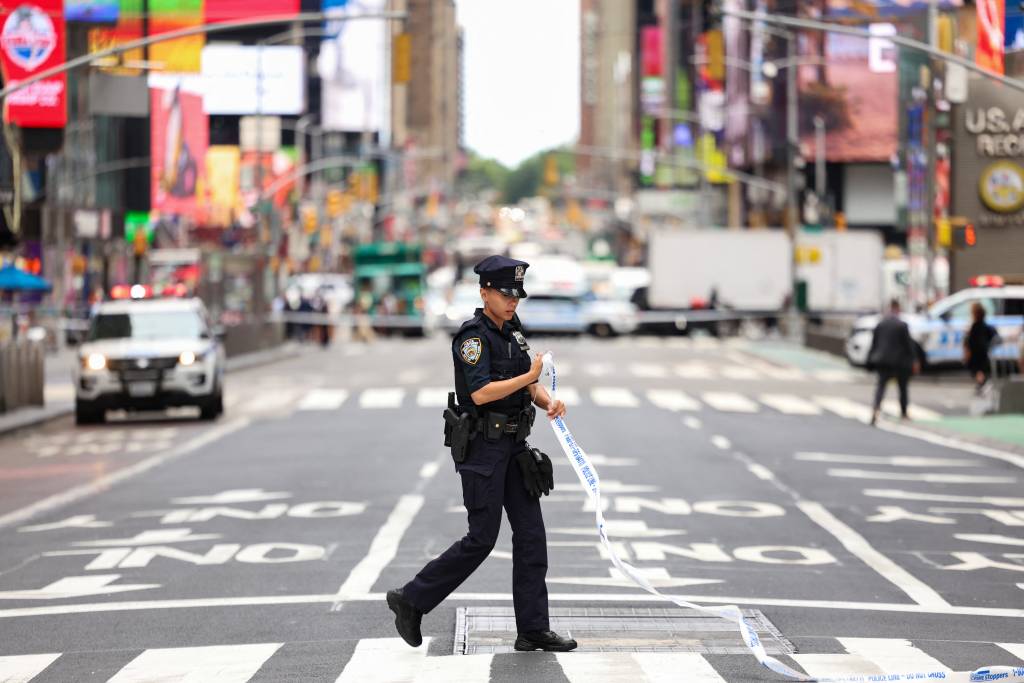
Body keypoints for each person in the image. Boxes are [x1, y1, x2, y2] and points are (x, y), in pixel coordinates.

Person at [386, 255, 577, 653]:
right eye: (505, 294)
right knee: (481, 538)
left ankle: (533, 629)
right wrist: (528, 378)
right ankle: (411, 599)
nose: (512, 302)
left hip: (514, 447)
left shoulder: (514, 332)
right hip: (483, 450)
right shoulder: (472, 338)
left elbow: (529, 386)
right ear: (484, 292)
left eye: (517, 295)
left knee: (531, 537)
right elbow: (481, 393)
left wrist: (549, 401)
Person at [867, 299, 919, 426]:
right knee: (902, 387)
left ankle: (876, 408)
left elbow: (874, 344)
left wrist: (870, 359)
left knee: (881, 386)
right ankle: (903, 412)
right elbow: (909, 345)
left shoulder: (881, 324)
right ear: (898, 309)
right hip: (899, 362)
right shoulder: (902, 325)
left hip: (883, 361)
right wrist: (914, 360)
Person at [964, 302, 999, 394]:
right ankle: (982, 384)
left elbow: (970, 341)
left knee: (977, 369)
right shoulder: (985, 325)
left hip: (976, 352)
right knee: (980, 369)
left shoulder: (975, 326)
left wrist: (968, 351)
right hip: (983, 350)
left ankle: (982, 384)